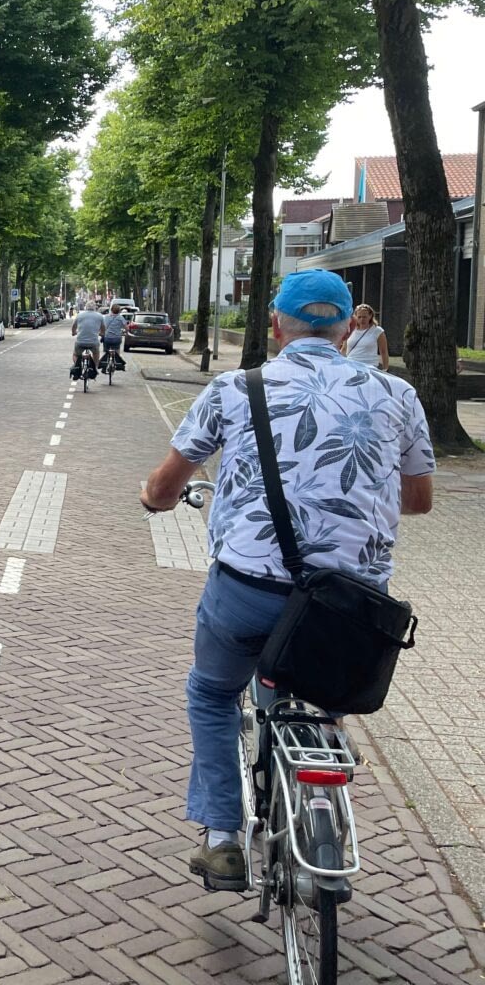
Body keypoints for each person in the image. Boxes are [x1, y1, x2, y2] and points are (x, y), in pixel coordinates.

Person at [140, 270, 433, 890]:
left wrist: (154, 499)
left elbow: (166, 487)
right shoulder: (398, 396)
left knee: (213, 693)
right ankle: (325, 775)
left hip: (249, 591)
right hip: (351, 604)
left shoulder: (234, 389)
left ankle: (222, 837)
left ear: (276, 327)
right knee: (329, 687)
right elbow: (420, 501)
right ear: (352, 326)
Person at [342, 303, 389, 370]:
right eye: (359, 317)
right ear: (355, 317)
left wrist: (385, 368)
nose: (362, 319)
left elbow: (383, 351)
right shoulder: (350, 330)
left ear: (370, 316)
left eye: (364, 317)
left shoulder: (377, 331)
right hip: (351, 366)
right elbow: (344, 349)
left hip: (369, 367)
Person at [71, 302, 105, 376]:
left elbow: (74, 326)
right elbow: (103, 328)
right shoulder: (99, 316)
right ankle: (95, 367)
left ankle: (77, 366)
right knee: (96, 353)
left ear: (86, 307)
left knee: (75, 354)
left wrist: (74, 332)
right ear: (95, 307)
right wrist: (102, 334)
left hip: (80, 341)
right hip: (93, 342)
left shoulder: (79, 315)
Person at [101, 304, 128, 371]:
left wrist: (101, 333)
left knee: (106, 351)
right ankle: (117, 363)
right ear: (119, 311)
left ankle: (104, 365)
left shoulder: (106, 317)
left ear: (111, 310)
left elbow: (103, 327)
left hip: (107, 338)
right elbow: (126, 328)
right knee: (117, 350)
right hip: (117, 338)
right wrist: (125, 332)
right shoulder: (121, 318)